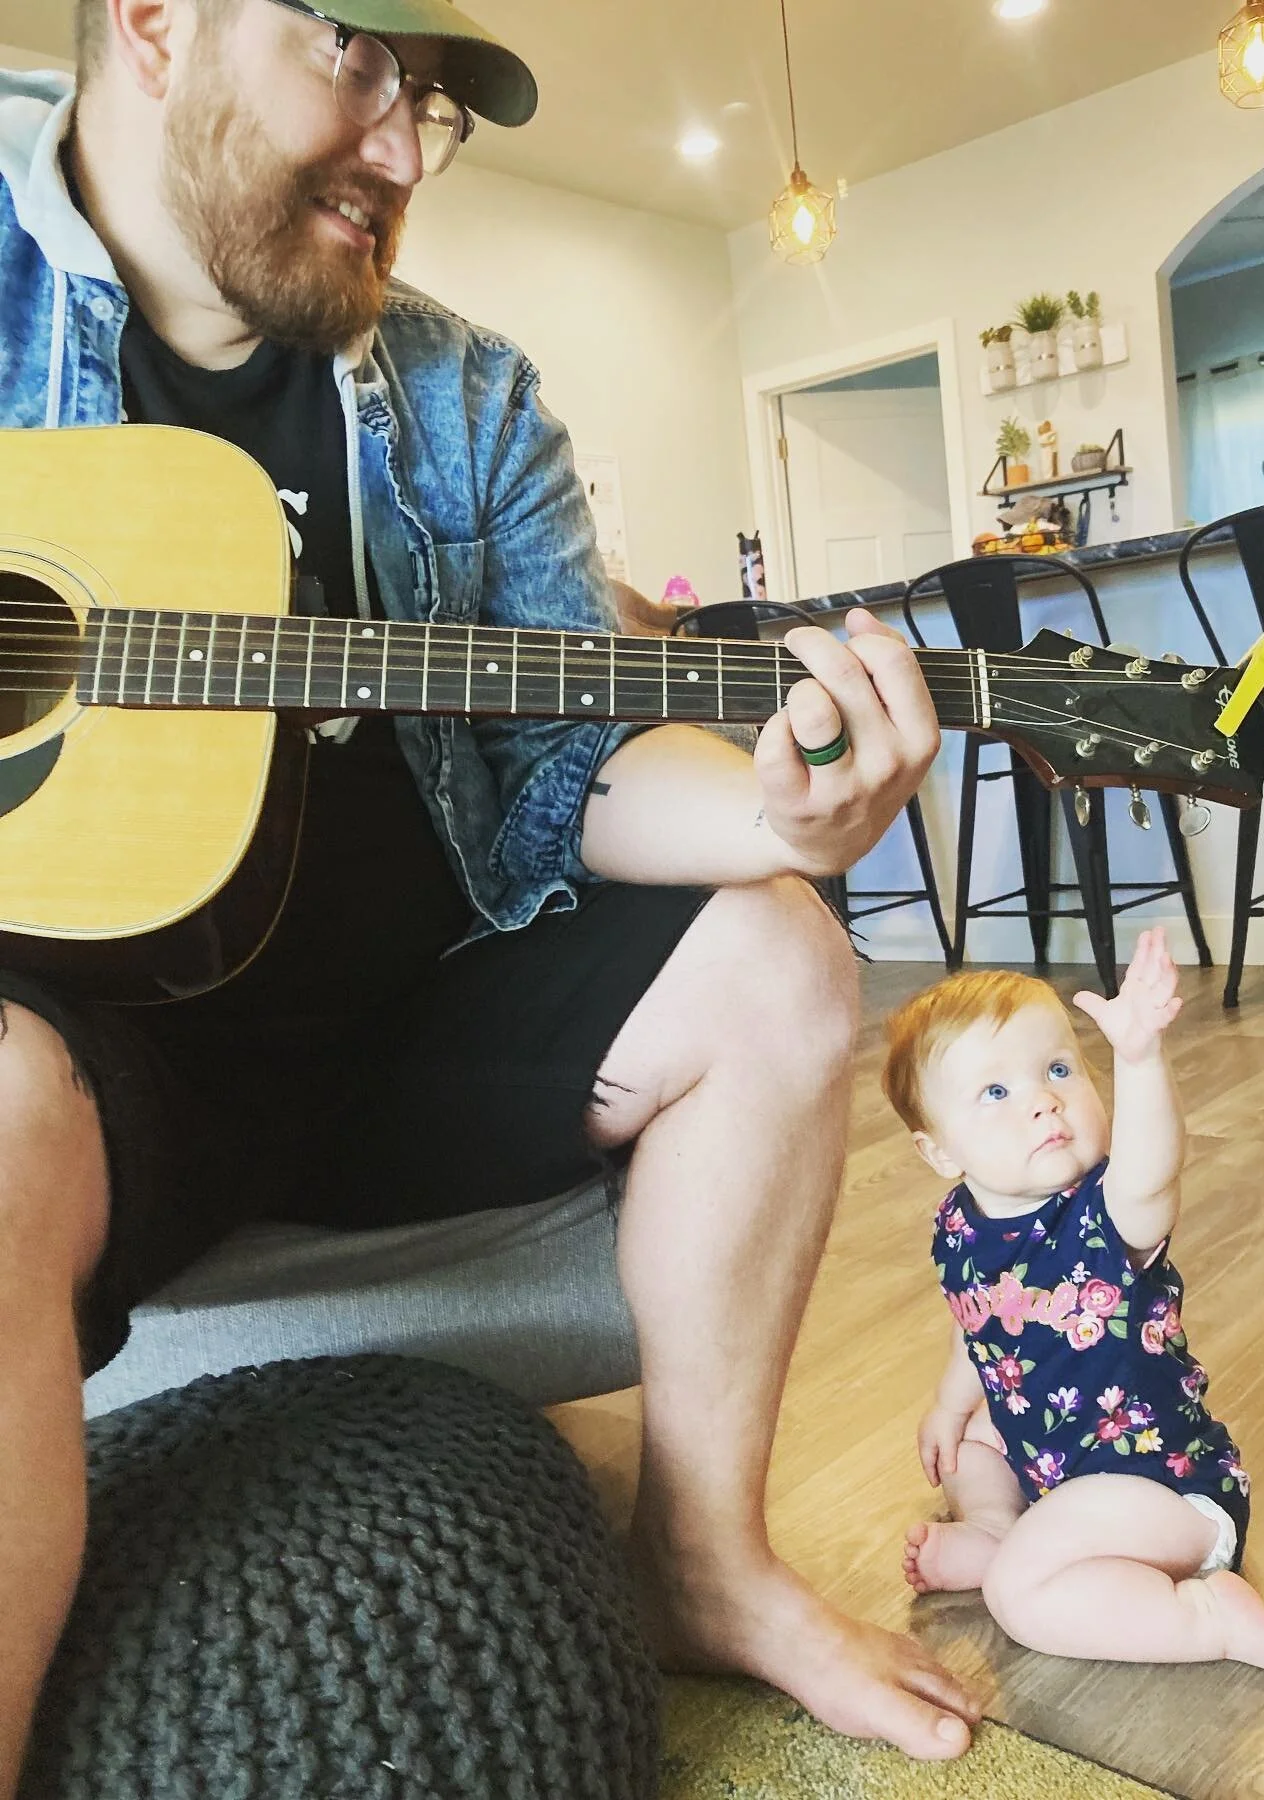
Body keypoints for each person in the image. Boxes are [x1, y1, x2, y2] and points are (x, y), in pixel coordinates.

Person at [0, 0, 985, 1786]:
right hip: (84, 1072)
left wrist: (783, 816)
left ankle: (706, 1564)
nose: (402, 151)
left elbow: (568, 765)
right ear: (154, 22)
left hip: (411, 1033)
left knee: (781, 957)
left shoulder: (466, 393)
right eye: (360, 61)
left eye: (433, 102)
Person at [884, 932, 1264, 1674]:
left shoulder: (1106, 1215)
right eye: (996, 1092)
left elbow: (1151, 1169)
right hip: (1056, 1468)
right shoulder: (960, 1227)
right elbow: (977, 1322)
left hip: (1160, 1491)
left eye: (1059, 1069)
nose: (1043, 1100)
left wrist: (1139, 1060)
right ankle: (996, 1525)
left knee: (1022, 1597)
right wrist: (947, 1406)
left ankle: (1211, 1617)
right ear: (939, 1151)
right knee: (971, 1438)